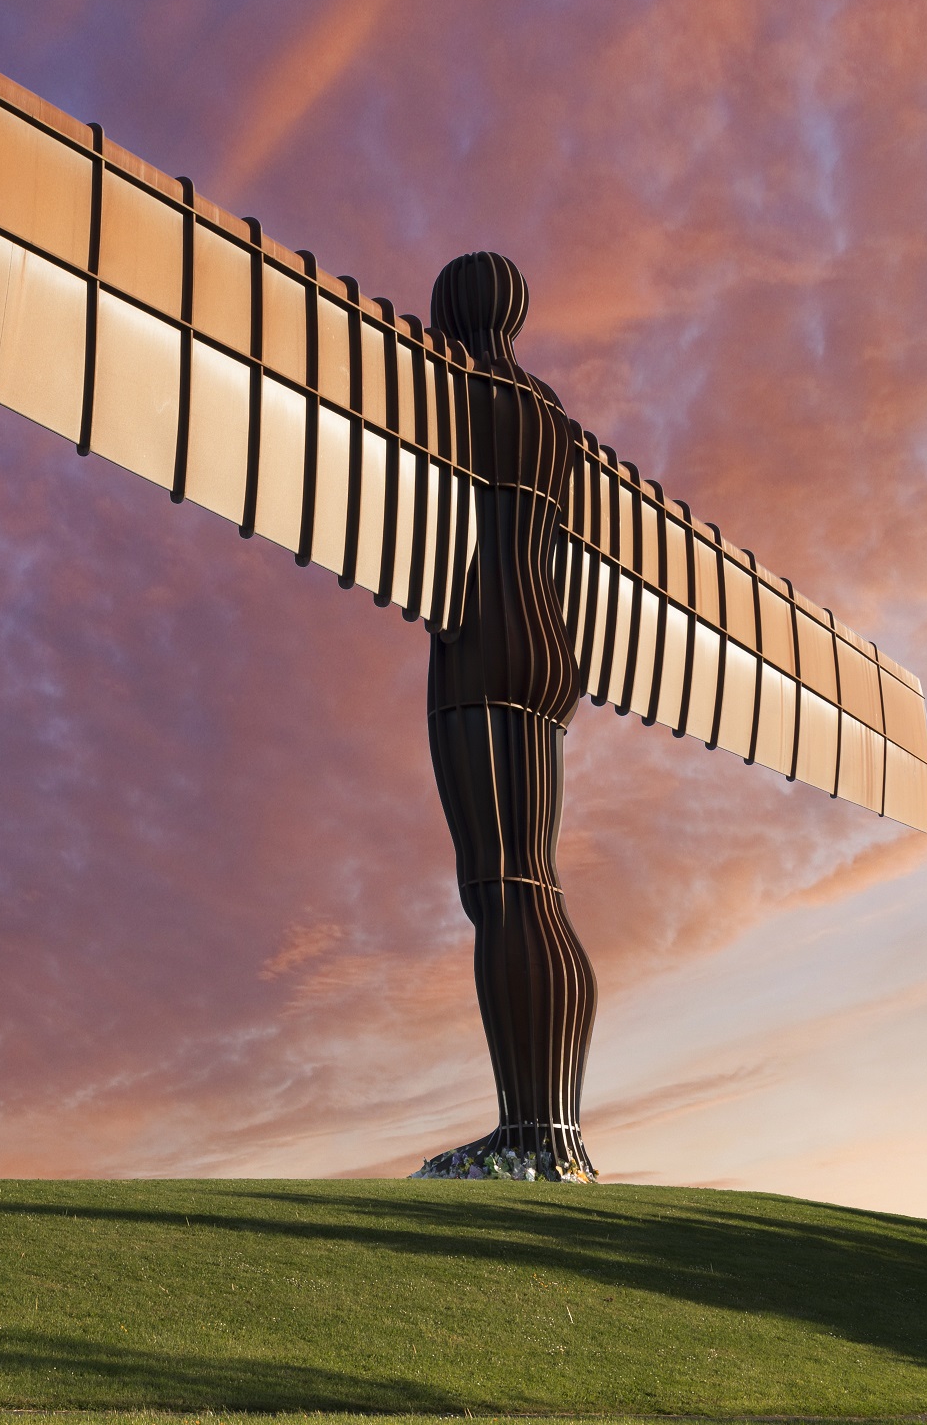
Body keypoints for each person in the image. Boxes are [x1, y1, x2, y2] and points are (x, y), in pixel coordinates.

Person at [414, 251, 599, 1181]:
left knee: (502, 885)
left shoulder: (444, 383)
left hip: (482, 636)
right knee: (534, 881)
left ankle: (532, 1134)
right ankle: (550, 1127)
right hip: (552, 643)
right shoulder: (556, 420)